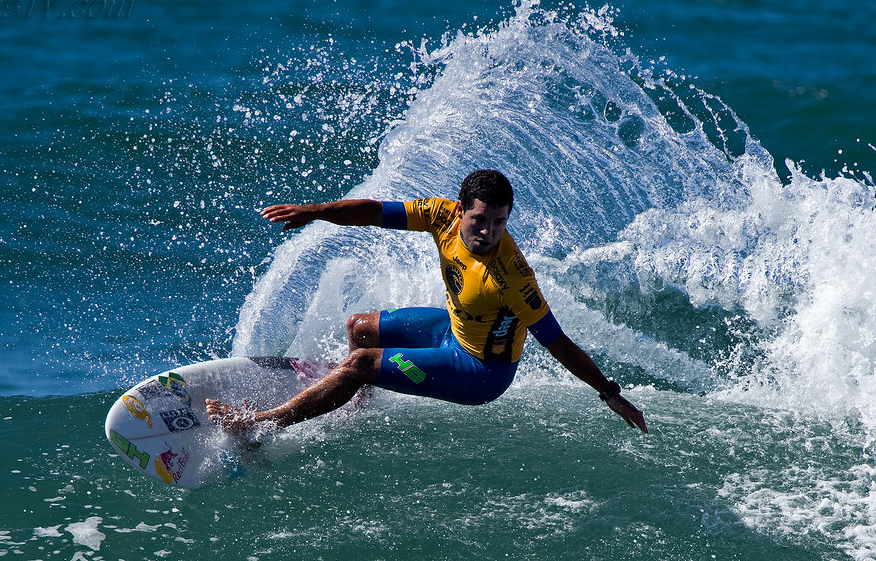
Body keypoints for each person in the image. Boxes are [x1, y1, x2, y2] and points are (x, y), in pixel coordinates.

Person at [206, 170, 648, 435]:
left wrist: (610, 394)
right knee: (360, 327)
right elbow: (374, 211)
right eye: (479, 219)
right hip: (451, 332)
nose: (488, 232)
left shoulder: (511, 277)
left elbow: (558, 343)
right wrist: (316, 210)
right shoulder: (441, 217)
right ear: (460, 210)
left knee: (361, 360)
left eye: (499, 223)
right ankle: (354, 403)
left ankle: (262, 424)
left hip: (481, 372)